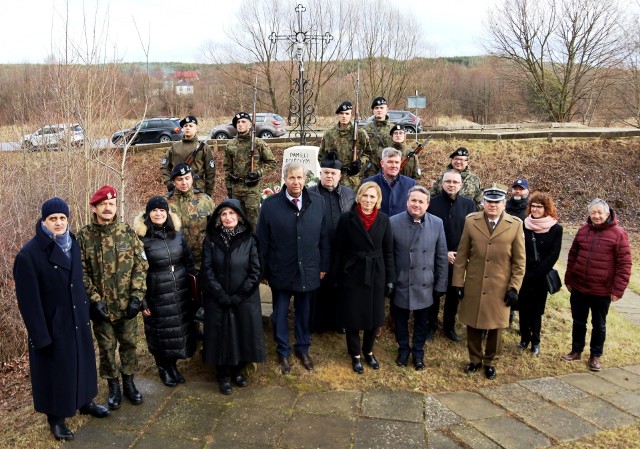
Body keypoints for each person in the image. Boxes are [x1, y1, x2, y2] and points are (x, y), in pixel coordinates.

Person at [14, 198, 110, 441]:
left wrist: (88, 310)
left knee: (82, 364)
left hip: (78, 318)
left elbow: (77, 283)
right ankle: (56, 419)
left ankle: (85, 401)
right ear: (44, 221)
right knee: (55, 374)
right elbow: (29, 303)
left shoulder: (73, 244)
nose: (58, 223)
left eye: (62, 218)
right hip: (53, 326)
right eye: (53, 218)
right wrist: (41, 336)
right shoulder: (29, 255)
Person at [77, 185, 148, 410]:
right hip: (103, 308)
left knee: (129, 345)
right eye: (103, 204)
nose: (108, 208)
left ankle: (129, 383)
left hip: (127, 304)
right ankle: (113, 386)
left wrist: (137, 296)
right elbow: (80, 272)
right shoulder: (84, 236)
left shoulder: (127, 232)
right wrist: (94, 300)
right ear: (95, 207)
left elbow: (141, 264)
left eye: (111, 203)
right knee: (107, 349)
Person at [257, 162, 330, 374]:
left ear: (305, 179)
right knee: (280, 313)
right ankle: (283, 351)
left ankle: (302, 347)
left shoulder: (317, 202)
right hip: (280, 269)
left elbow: (324, 237)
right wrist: (263, 271)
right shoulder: (270, 206)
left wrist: (323, 265)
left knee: (304, 311)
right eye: (291, 178)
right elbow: (263, 241)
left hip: (308, 268)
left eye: (299, 178)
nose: (296, 182)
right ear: (284, 180)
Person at [452, 185, 525, 380]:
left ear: (504, 204)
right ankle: (475, 360)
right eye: (489, 202)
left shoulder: (515, 225)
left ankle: (490, 362)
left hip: (500, 287)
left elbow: (519, 262)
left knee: (496, 327)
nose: (492, 205)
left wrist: (514, 288)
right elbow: (462, 255)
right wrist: (458, 282)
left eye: (497, 202)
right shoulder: (471, 221)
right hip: (475, 283)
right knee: (473, 323)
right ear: (483, 203)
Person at [201, 199, 265, 394]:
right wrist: (220, 294)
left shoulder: (249, 239)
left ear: (239, 215)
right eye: (223, 214)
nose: (228, 217)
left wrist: (240, 295)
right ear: (219, 218)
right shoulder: (211, 239)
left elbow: (255, 270)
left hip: (244, 297)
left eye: (231, 213)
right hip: (217, 297)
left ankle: (239, 371)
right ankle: (223, 375)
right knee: (221, 334)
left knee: (243, 332)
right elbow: (207, 268)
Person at [134, 196, 197, 387]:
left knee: (177, 331)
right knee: (160, 333)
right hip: (156, 293)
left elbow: (189, 261)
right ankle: (164, 369)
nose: (158, 213)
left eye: (162, 210)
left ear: (167, 213)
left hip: (179, 290)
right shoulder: (141, 239)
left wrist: (193, 287)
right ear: (148, 214)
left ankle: (173, 366)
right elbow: (136, 271)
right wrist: (142, 301)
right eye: (154, 210)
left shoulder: (177, 235)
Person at [333, 181, 395, 374]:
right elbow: (338, 250)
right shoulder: (346, 219)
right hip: (352, 272)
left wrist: (391, 278)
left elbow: (389, 252)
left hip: (376, 272)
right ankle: (355, 355)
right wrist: (336, 276)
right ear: (359, 197)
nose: (368, 200)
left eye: (372, 197)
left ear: (378, 200)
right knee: (353, 315)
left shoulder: (384, 220)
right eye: (365, 196)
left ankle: (368, 351)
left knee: (373, 316)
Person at [563, 198, 632, 371]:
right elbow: (572, 256)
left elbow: (625, 264)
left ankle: (595, 356)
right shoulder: (583, 230)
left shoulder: (619, 234)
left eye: (600, 212)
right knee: (578, 321)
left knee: (598, 324)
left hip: (601, 290)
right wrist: (569, 279)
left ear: (607, 214)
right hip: (579, 287)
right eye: (593, 212)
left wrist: (618, 289)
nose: (596, 216)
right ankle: (576, 350)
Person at [390, 186, 448, 370]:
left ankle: (418, 352)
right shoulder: (393, 222)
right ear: (407, 202)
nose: (416, 204)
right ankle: (403, 349)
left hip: (425, 283)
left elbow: (441, 255)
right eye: (413, 200)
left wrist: (441, 283)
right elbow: (389, 256)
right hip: (402, 281)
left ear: (427, 204)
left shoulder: (437, 223)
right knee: (400, 321)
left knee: (422, 322)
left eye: (421, 201)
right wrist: (390, 281)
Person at [308, 152, 356, 333]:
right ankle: (317, 322)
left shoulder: (349, 195)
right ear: (320, 173)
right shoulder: (310, 193)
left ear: (339, 175)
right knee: (318, 288)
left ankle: (339, 322)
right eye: (326, 172)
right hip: (316, 248)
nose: (329, 176)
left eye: (333, 173)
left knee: (339, 286)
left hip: (341, 248)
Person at [427, 169, 477, 342]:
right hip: (436, 256)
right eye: (448, 182)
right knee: (434, 293)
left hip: (459, 258)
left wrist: (463, 255)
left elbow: (471, 232)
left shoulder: (469, 205)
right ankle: (431, 325)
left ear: (461, 185)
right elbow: (428, 232)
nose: (451, 185)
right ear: (442, 183)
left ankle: (449, 327)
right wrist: (443, 253)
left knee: (453, 294)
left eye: (455, 182)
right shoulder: (432, 203)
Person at [517, 192, 563, 356]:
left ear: (546, 208)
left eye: (539, 207)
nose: (535, 209)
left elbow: (554, 254)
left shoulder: (556, 228)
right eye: (533, 206)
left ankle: (535, 341)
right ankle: (524, 338)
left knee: (536, 311)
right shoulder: (523, 224)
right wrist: (523, 270)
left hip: (540, 276)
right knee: (522, 308)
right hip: (523, 273)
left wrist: (537, 272)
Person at [224, 111, 277, 225]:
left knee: (253, 221)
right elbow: (227, 169)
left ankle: (254, 242)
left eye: (243, 122)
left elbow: (272, 163)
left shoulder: (258, 143)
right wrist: (229, 188)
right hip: (236, 189)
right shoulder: (230, 145)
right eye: (238, 122)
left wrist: (258, 173)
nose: (240, 124)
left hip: (252, 190)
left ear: (250, 125)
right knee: (236, 220)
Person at [165, 162, 215, 271]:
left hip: (204, 259)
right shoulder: (167, 204)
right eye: (180, 179)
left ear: (192, 178)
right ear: (173, 182)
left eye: (187, 178)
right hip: (178, 262)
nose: (184, 182)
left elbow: (216, 228)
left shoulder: (205, 200)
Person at [319, 100, 371, 190]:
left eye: (347, 114)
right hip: (334, 180)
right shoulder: (329, 134)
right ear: (338, 115)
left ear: (351, 115)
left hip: (354, 180)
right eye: (341, 113)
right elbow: (321, 156)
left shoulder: (360, 133)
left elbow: (368, 154)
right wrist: (329, 162)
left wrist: (360, 162)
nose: (344, 116)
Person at [161, 115, 216, 196]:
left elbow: (210, 172)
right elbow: (165, 167)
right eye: (185, 126)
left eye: (191, 126)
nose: (187, 128)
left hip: (198, 189)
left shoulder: (204, 148)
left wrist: (209, 192)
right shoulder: (174, 147)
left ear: (196, 129)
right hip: (178, 189)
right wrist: (169, 183)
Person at [363, 147, 416, 217]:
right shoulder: (369, 183)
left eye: (397, 162)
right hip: (377, 226)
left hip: (401, 226)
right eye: (390, 162)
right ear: (382, 163)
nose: (394, 166)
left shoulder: (410, 184)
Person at [363, 97, 393, 177]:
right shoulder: (365, 129)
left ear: (387, 109)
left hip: (389, 167)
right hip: (371, 169)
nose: (379, 110)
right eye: (376, 108)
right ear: (373, 110)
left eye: (381, 108)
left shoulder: (394, 129)